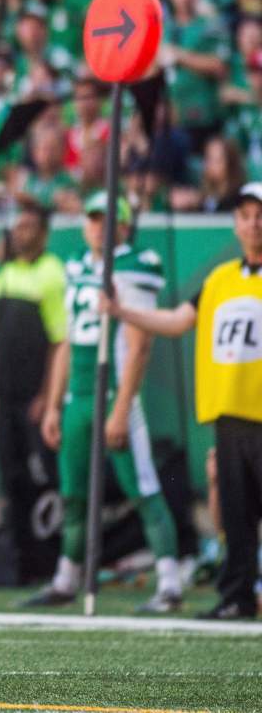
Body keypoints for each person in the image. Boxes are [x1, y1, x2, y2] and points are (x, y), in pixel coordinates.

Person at [103, 183, 262, 620]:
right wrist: (122, 313)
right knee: (235, 514)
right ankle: (236, 596)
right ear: (236, 223)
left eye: (260, 215)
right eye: (246, 215)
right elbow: (175, 321)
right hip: (229, 415)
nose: (253, 224)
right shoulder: (220, 280)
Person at [27, 193, 182, 612]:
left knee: (143, 487)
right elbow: (67, 341)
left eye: (109, 220)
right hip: (78, 396)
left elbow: (139, 346)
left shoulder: (134, 266)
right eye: (93, 219)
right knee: (73, 494)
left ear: (126, 226)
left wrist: (120, 406)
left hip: (114, 395)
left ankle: (169, 583)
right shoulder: (76, 264)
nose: (100, 227)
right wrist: (56, 403)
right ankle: (65, 579)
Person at [0, 204, 67, 584]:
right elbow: (1, 342)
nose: (21, 232)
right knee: (12, 478)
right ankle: (23, 565)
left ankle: (51, 563)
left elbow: (59, 341)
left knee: (44, 480)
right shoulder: (3, 275)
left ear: (44, 232)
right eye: (17, 226)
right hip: (7, 398)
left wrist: (48, 398)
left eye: (29, 226)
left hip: (36, 400)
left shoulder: (53, 274)